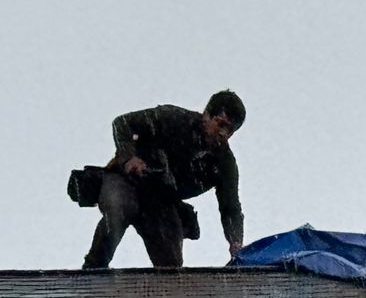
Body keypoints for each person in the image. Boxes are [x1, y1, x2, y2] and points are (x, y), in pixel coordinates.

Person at [81, 91, 246, 270]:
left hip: (160, 201)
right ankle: (92, 271)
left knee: (171, 264)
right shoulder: (173, 119)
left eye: (229, 130)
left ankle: (167, 295)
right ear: (206, 115)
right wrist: (129, 158)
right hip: (126, 181)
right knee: (118, 210)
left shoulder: (224, 164)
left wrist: (235, 241)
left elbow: (230, 207)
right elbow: (122, 123)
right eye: (220, 123)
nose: (222, 133)